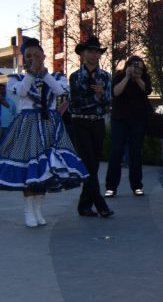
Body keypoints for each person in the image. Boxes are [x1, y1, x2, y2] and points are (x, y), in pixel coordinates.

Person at [0, 38, 87, 227]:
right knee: (28, 168)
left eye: (36, 55)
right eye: (28, 56)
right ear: (24, 59)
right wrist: (32, 73)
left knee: (46, 169)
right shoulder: (17, 78)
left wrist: (44, 73)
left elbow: (59, 91)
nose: (32, 59)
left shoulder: (56, 77)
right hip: (27, 126)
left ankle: (38, 209)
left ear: (43, 56)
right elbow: (21, 93)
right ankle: (28, 210)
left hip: (50, 126)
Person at [68, 35, 114, 218]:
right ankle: (100, 204)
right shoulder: (75, 77)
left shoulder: (105, 77)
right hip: (80, 122)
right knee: (88, 162)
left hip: (97, 122)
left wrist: (101, 96)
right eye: (90, 51)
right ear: (83, 54)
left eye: (97, 52)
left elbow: (107, 103)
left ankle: (84, 205)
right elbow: (75, 103)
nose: (94, 55)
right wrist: (97, 99)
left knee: (93, 166)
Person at [103, 55, 152, 198]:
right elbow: (115, 92)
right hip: (120, 119)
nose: (136, 68)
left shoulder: (144, 77)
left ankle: (137, 186)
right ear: (128, 65)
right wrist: (127, 77)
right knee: (116, 152)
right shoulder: (119, 76)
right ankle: (111, 187)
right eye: (133, 65)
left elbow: (147, 90)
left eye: (139, 65)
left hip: (138, 119)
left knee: (135, 153)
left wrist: (137, 78)